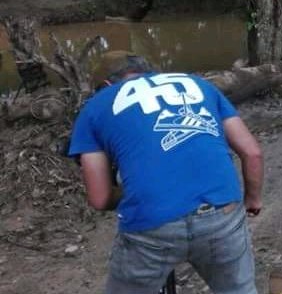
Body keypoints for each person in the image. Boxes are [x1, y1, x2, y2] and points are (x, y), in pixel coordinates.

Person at [68, 50, 264, 294]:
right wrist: (252, 199)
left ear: (107, 84)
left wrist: (130, 191)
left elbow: (99, 198)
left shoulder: (95, 107)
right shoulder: (199, 85)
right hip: (221, 211)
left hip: (151, 226)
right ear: (149, 72)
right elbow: (252, 153)